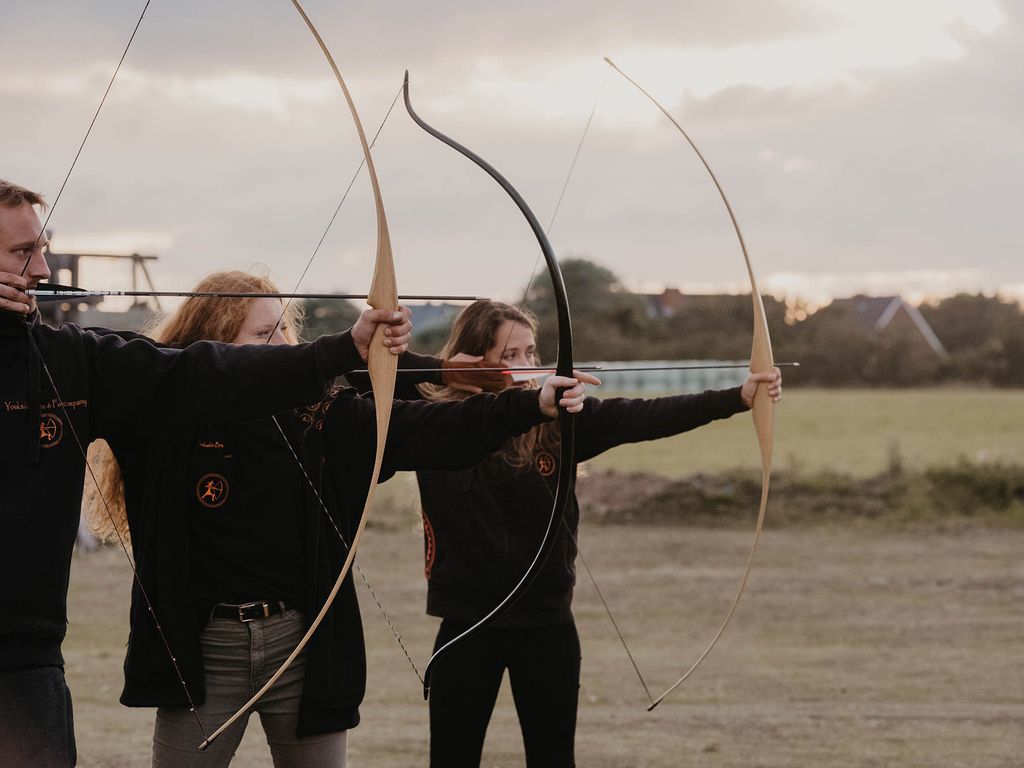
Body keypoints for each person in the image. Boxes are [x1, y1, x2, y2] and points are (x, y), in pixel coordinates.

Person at [82, 271, 592, 768]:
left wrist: (529, 404)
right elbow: (135, 366)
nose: (285, 342)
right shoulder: (165, 419)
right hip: (203, 649)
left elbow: (427, 427)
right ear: (215, 347)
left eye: (285, 327)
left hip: (302, 646)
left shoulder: (321, 415)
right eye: (265, 333)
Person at [0, 179, 412, 768]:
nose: (42, 267)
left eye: (43, 247)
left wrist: (340, 350)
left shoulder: (72, 358)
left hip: (24, 655)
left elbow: (202, 374)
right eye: (22, 253)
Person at [410, 300, 782, 767]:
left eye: (531, 352)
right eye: (510, 355)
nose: (528, 366)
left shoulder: (562, 420)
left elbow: (645, 415)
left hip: (546, 624)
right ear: (470, 360)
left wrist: (738, 397)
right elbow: (363, 379)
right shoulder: (430, 423)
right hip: (466, 624)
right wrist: (441, 372)